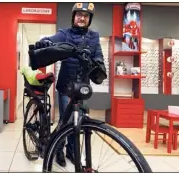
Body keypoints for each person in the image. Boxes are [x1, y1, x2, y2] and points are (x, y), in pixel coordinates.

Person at [34, 2, 106, 167]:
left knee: (78, 121)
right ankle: (58, 149)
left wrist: (99, 64)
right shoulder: (65, 33)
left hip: (83, 86)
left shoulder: (94, 37)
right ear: (74, 17)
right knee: (66, 121)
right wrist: (44, 42)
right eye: (79, 14)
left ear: (90, 19)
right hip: (66, 85)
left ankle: (72, 152)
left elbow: (99, 55)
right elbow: (50, 40)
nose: (82, 18)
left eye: (86, 15)